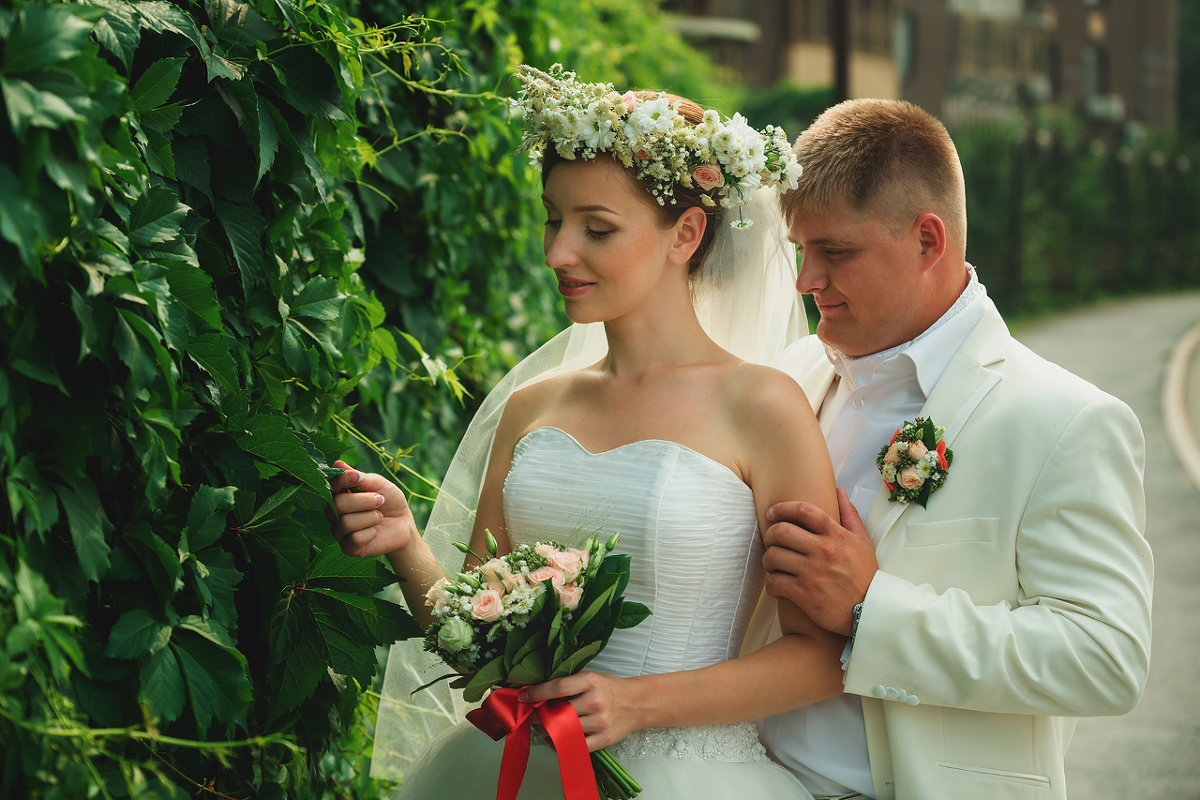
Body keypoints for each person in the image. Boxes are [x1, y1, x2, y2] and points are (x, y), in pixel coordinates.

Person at [329, 65, 847, 798]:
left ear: (686, 234)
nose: (556, 253)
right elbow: (480, 638)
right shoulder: (533, 407)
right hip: (515, 769)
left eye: (596, 229)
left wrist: (640, 702)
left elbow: (820, 656)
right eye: (553, 219)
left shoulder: (763, 407)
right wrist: (404, 544)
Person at [755, 98, 1154, 800]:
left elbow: (1106, 658)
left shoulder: (1068, 421)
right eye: (800, 251)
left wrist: (869, 608)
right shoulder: (788, 379)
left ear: (928, 242)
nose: (805, 280)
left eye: (836, 252)